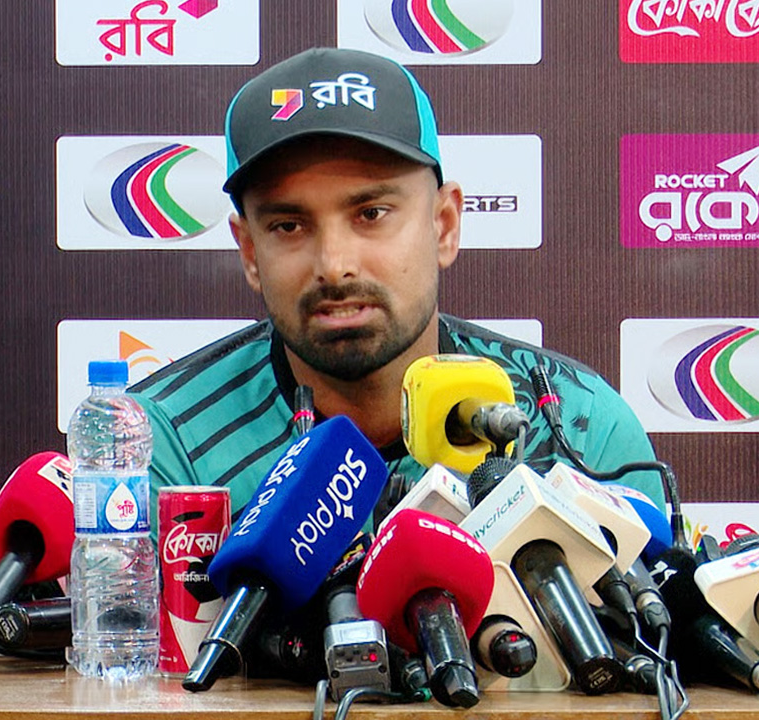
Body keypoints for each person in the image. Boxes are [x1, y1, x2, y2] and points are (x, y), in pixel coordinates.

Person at [129, 47, 664, 517]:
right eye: (289, 226)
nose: (334, 264)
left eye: (371, 214)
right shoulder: (162, 444)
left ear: (444, 225)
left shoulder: (576, 427)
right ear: (249, 251)